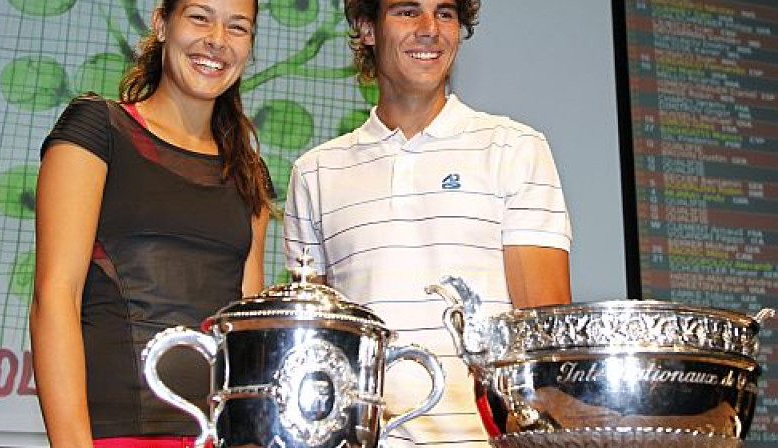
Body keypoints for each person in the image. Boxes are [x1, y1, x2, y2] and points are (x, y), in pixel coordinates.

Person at [283, 0, 571, 446]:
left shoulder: (515, 148)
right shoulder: (315, 172)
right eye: (406, 11)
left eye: (445, 13)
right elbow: (318, 347)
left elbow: (545, 337)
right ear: (367, 29)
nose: (429, 29)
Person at [29, 0, 272, 446]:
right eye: (200, 17)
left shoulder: (249, 173)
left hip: (216, 436)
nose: (217, 40)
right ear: (162, 24)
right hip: (115, 434)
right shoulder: (99, 128)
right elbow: (54, 296)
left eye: (238, 27)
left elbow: (244, 332)